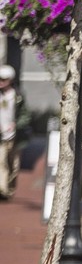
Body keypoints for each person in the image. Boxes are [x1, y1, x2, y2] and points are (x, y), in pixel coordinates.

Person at [0, 64, 32, 201]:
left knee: (14, 165)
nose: (1, 82)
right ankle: (3, 189)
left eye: (4, 79)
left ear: (10, 80)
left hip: (15, 137)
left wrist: (16, 124)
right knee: (1, 162)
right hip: (1, 136)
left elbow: (25, 115)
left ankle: (10, 188)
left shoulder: (17, 96)